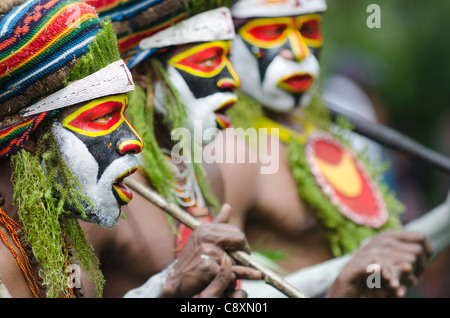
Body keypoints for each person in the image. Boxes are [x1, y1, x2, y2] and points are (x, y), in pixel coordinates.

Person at [0, 0, 256, 298]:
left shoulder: (57, 241)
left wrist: (168, 289)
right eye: (101, 118)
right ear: (30, 137)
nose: (133, 139)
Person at [211, 0, 433, 297]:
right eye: (273, 31)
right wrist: (337, 285)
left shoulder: (322, 130)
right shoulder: (230, 149)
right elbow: (221, 292)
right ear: (228, 41)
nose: (299, 50)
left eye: (308, 29)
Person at [80, 0, 262, 298]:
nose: (232, 78)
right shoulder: (104, 195)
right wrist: (164, 287)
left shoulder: (208, 174)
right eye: (207, 61)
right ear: (143, 75)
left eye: (227, 58)